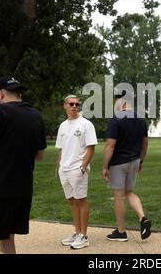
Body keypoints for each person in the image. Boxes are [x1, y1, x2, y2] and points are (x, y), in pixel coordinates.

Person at [0, 76, 46, 254]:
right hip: (22, 191)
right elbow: (40, 155)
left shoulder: (0, 111)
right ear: (19, 94)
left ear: (0, 94)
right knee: (6, 240)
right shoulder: (36, 115)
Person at [102, 91, 151, 242]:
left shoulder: (116, 119)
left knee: (118, 197)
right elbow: (145, 143)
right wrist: (141, 161)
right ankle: (143, 218)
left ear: (122, 100)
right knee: (129, 192)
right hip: (134, 161)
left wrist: (105, 166)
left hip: (118, 163)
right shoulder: (140, 119)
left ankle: (121, 232)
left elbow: (110, 145)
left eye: (116, 99)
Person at [55, 95, 97, 250]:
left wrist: (83, 167)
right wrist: (58, 167)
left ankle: (83, 236)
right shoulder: (63, 126)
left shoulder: (86, 124)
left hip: (77, 169)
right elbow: (62, 148)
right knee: (72, 201)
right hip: (64, 169)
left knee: (81, 200)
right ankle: (77, 232)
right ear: (64, 105)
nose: (74, 106)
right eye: (71, 104)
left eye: (76, 104)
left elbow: (91, 148)